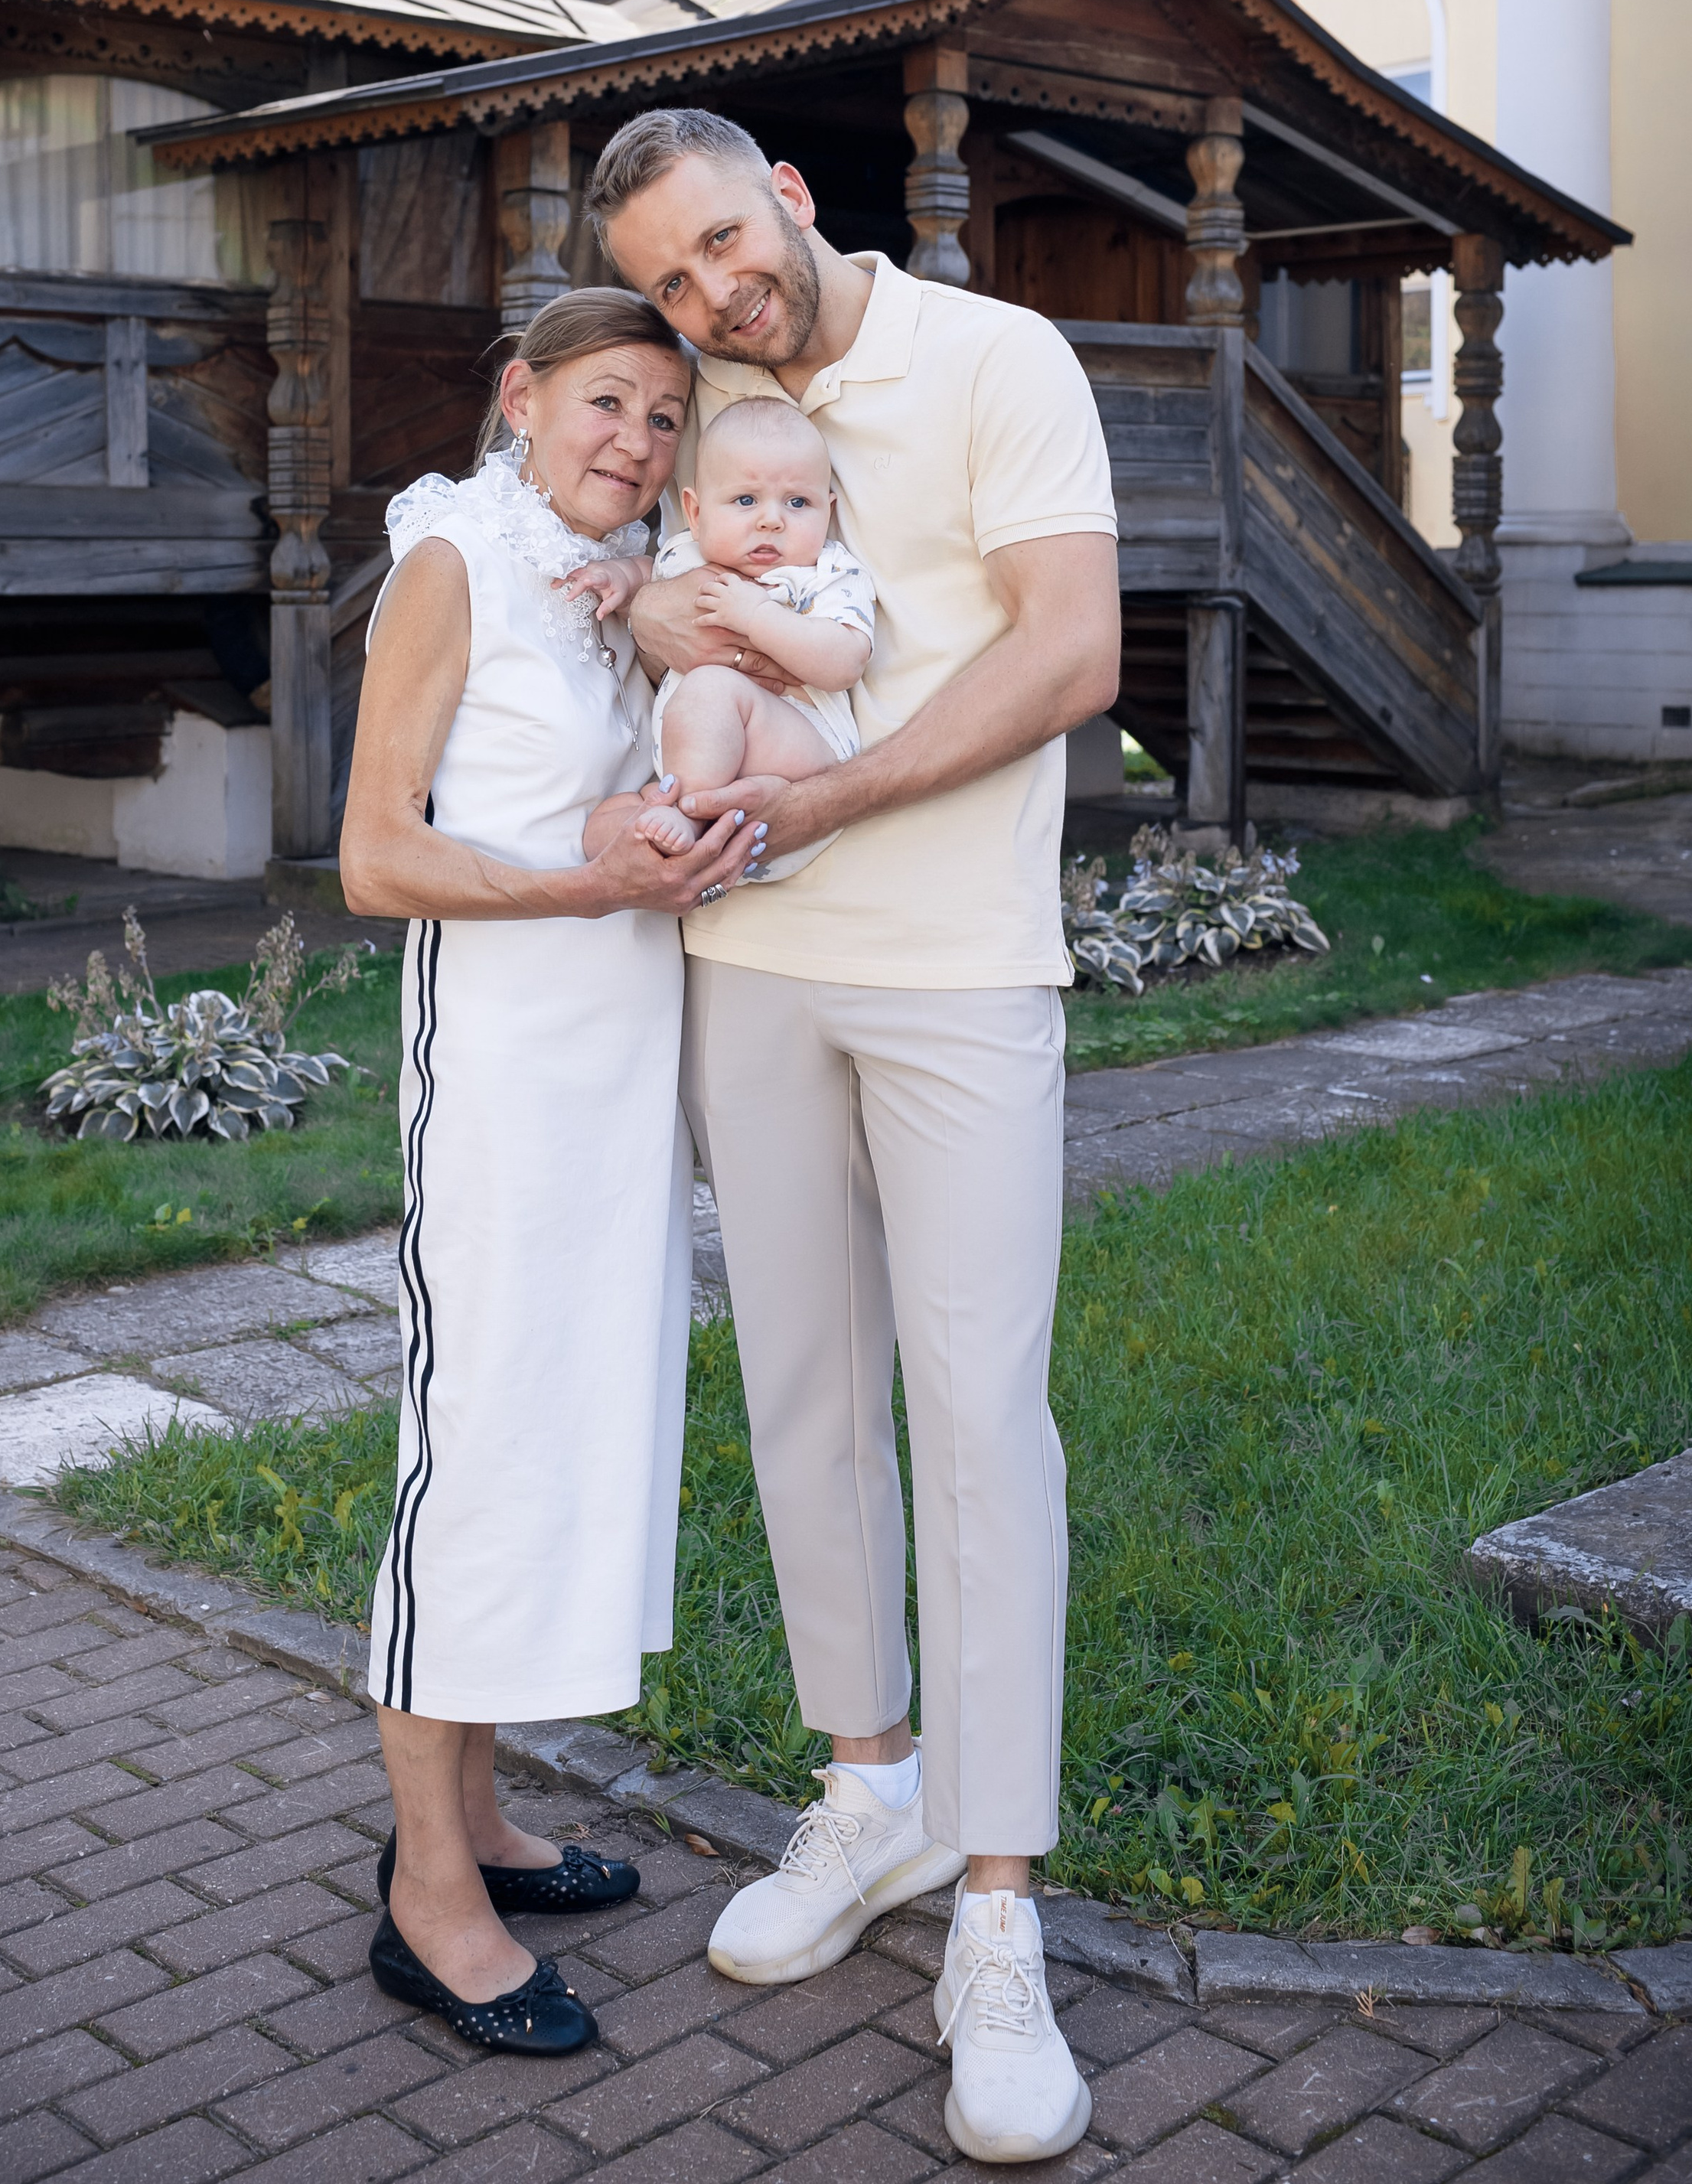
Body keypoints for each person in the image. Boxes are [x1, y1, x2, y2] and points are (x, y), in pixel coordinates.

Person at [592, 107, 1121, 2165]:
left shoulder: (1000, 361)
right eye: (675, 281)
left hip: (963, 963)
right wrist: (661, 630)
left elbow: (1072, 654)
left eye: (729, 245)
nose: (716, 299)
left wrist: (833, 793)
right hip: (751, 964)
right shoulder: (706, 404)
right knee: (805, 1395)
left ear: (794, 199)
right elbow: (626, 580)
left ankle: (999, 1914)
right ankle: (869, 1796)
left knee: (981, 1418)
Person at [339, 288, 761, 2058]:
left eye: (664, 418)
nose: (634, 445)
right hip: (502, 1085)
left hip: (611, 1087)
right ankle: (426, 1899)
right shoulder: (451, 558)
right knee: (474, 1463)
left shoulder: (619, 577)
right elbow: (373, 857)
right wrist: (591, 881)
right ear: (520, 395)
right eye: (605, 401)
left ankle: (486, 1823)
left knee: (556, 1448)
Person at [578, 397, 874, 876]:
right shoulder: (685, 556)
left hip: (799, 760)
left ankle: (689, 817)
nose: (772, 520)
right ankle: (670, 823)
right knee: (601, 827)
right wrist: (621, 577)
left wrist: (758, 616)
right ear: (695, 512)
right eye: (746, 500)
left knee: (714, 688)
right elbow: (650, 575)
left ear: (829, 511)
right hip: (694, 771)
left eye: (799, 503)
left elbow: (845, 664)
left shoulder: (825, 573)